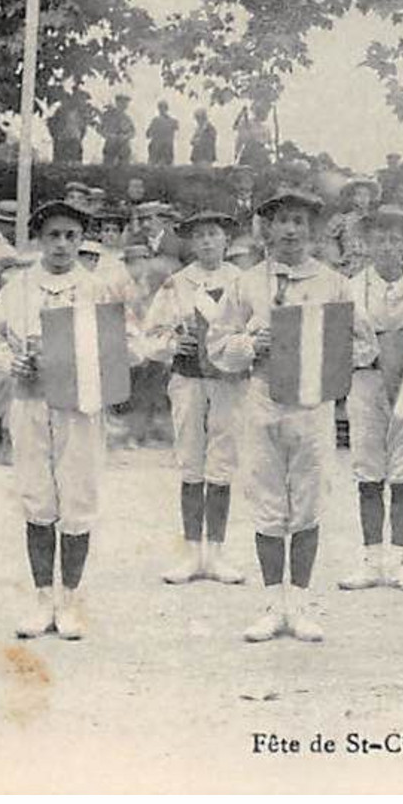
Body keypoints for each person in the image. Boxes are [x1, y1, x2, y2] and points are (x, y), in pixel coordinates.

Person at [208, 189, 376, 643]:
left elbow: (365, 345)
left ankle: (299, 603)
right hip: (262, 400)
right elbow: (218, 345)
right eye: (281, 220)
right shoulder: (246, 283)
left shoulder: (333, 283)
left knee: (306, 503)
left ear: (312, 229)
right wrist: (250, 345)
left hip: (312, 404)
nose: (290, 230)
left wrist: (323, 348)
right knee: (266, 502)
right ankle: (271, 604)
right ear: (266, 227)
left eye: (299, 221)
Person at [0, 198, 137, 640]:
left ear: (82, 240)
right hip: (31, 404)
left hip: (81, 408)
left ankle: (71, 599)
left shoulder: (99, 288)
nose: (62, 245)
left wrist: (97, 356)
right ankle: (41, 596)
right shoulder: (19, 288)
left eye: (71, 236)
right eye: (53, 236)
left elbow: (133, 345)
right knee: (36, 496)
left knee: (79, 497)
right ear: (39, 240)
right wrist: (11, 361)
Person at [143, 210, 247, 587]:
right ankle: (190, 552)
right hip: (188, 378)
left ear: (226, 241)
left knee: (222, 461)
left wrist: (241, 346)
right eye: (199, 235)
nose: (206, 242)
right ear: (190, 242)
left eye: (213, 235)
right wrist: (173, 342)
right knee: (191, 460)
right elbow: (150, 336)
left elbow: (255, 328)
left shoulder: (241, 281)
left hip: (230, 380)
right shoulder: (176, 283)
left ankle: (216, 553)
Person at [337, 210, 403, 594]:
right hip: (366, 383)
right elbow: (340, 341)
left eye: (395, 240)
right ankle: (371, 559)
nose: (387, 248)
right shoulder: (350, 287)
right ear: (366, 244)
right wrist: (370, 354)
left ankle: (400, 561)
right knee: (368, 470)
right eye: (379, 240)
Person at [99, 97, 136, 167]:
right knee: (108, 166)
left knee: (124, 166)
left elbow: (133, 132)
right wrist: (109, 135)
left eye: (126, 103)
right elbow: (101, 129)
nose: (124, 105)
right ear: (117, 103)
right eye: (122, 102)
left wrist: (125, 137)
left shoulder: (127, 118)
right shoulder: (109, 116)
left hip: (123, 145)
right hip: (111, 144)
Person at [146, 101, 179, 167]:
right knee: (153, 166)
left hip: (166, 148)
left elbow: (176, 129)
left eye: (163, 108)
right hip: (156, 148)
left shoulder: (172, 121)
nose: (161, 110)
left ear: (166, 109)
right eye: (160, 108)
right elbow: (148, 134)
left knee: (166, 166)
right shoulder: (155, 121)